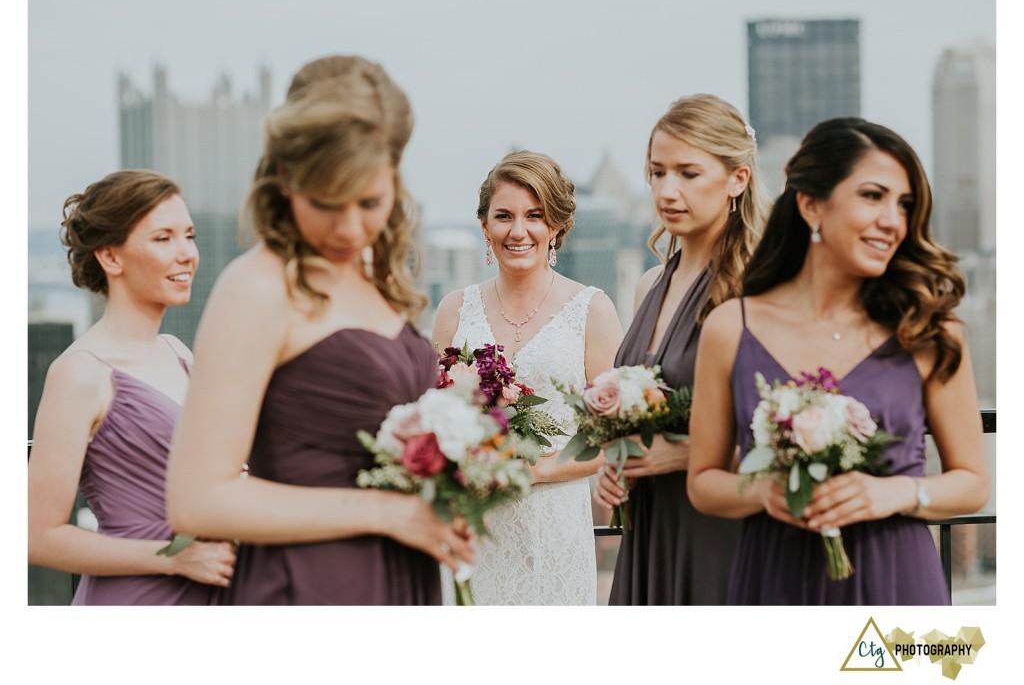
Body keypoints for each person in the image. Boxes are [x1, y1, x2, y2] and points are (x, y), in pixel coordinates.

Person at [165, 55, 473, 605]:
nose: (350, 227)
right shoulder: (257, 287)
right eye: (326, 203)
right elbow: (196, 500)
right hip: (307, 586)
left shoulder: (374, 270)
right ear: (286, 180)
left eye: (371, 202)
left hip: (402, 576)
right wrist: (389, 512)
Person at [688, 117, 990, 605]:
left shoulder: (928, 328)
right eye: (873, 196)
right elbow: (704, 482)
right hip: (775, 578)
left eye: (904, 204)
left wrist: (897, 493)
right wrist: (765, 492)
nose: (894, 220)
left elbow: (973, 482)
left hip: (896, 582)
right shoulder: (730, 327)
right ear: (811, 205)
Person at [27, 170, 236, 605]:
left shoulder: (179, 353)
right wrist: (174, 559)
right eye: (163, 239)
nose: (187, 254)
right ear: (111, 257)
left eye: (189, 235)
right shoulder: (80, 373)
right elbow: (37, 536)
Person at [594, 94, 768, 605]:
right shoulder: (650, 285)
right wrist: (616, 466)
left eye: (689, 173)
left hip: (727, 538)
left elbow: (795, 434)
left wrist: (688, 454)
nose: (667, 191)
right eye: (657, 173)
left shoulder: (758, 286)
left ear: (738, 178)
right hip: (650, 534)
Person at [432, 150, 623, 605]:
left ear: (555, 227)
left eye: (535, 216)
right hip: (473, 526)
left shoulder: (592, 310)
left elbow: (614, 435)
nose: (518, 231)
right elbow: (436, 417)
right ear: (485, 226)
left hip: (555, 527)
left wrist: (535, 469)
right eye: (504, 216)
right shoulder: (454, 310)